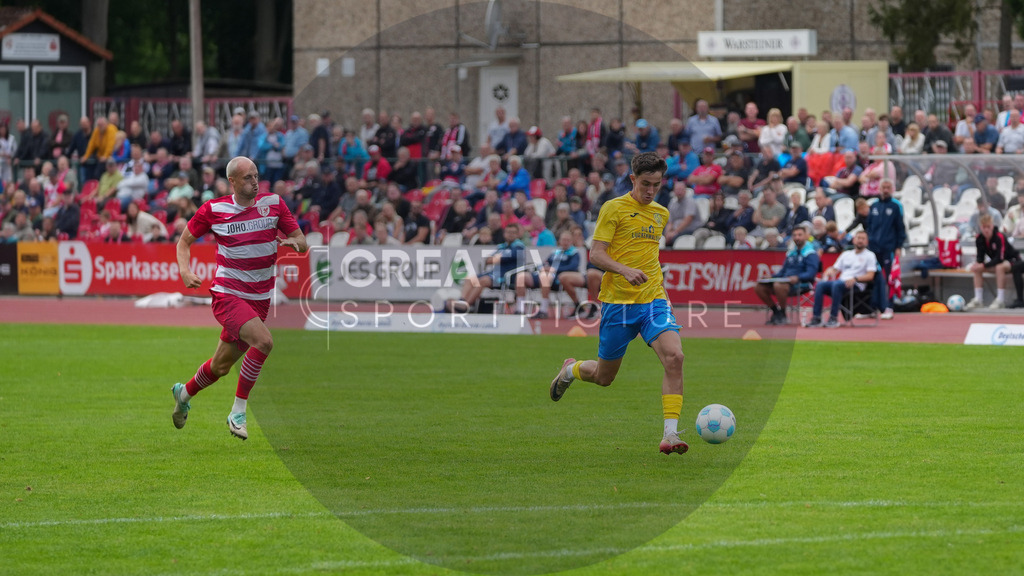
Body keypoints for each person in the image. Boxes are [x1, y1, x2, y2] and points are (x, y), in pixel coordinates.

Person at [548, 152, 688, 456]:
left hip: (652, 300)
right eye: (646, 184)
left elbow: (651, 260)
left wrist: (665, 295)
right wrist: (624, 270)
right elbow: (596, 254)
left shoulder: (660, 213)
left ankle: (671, 434)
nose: (651, 191)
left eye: (657, 185)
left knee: (675, 357)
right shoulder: (613, 208)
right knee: (604, 377)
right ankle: (571, 370)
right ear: (633, 180)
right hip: (618, 304)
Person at [171, 156, 307, 440]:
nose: (254, 182)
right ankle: (238, 411)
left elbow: (302, 241)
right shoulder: (214, 209)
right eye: (248, 178)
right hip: (228, 294)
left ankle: (183, 394)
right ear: (232, 181)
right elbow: (184, 241)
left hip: (259, 299)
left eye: (256, 176)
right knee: (265, 342)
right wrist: (184, 270)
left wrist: (297, 243)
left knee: (220, 366)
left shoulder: (274, 204)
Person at [447, 221, 526, 312]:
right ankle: (462, 301)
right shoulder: (502, 246)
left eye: (513, 233)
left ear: (517, 234)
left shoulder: (518, 247)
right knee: (470, 279)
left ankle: (466, 306)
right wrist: (495, 258)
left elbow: (497, 259)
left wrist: (496, 258)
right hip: (495, 274)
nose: (510, 235)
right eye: (508, 232)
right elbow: (488, 260)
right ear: (504, 234)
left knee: (484, 280)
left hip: (508, 277)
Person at [805, 230, 877, 328]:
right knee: (821, 285)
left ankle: (833, 318)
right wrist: (829, 271)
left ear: (867, 241)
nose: (860, 241)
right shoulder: (846, 254)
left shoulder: (870, 255)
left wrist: (855, 279)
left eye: (863, 239)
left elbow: (870, 275)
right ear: (854, 240)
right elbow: (835, 269)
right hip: (841, 283)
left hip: (856, 284)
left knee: (837, 284)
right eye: (858, 238)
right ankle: (816, 318)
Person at [754, 226, 819, 325]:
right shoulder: (790, 253)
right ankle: (776, 311)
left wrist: (797, 277)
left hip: (801, 284)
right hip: (784, 281)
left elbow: (811, 274)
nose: (797, 237)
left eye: (800, 235)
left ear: (805, 236)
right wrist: (771, 277)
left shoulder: (811, 253)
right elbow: (782, 272)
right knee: (759, 287)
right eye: (795, 235)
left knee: (778, 285)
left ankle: (783, 313)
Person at [515, 229, 584, 318]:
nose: (565, 242)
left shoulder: (574, 253)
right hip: (544, 275)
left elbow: (572, 267)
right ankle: (520, 309)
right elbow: (546, 263)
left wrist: (554, 270)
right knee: (521, 276)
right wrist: (543, 267)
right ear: (559, 241)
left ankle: (543, 310)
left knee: (545, 277)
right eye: (563, 240)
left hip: (556, 279)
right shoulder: (555, 252)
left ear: (571, 241)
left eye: (567, 240)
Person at [865, 179, 906, 319]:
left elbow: (900, 228)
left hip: (889, 248)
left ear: (892, 189)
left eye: (888, 187)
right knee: (874, 277)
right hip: (873, 248)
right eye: (884, 187)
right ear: (879, 188)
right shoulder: (874, 205)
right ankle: (873, 307)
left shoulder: (896, 206)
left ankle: (889, 306)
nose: (886, 189)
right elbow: (869, 226)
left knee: (890, 278)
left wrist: (898, 246)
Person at [966, 214, 1024, 309]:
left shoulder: (999, 237)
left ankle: (1000, 300)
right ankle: (978, 299)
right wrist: (978, 264)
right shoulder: (979, 239)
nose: (986, 230)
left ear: (992, 226)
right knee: (977, 269)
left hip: (1011, 261)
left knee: (999, 267)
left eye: (988, 227)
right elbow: (980, 257)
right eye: (984, 227)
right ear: (981, 227)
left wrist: (984, 265)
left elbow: (1000, 258)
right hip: (996, 262)